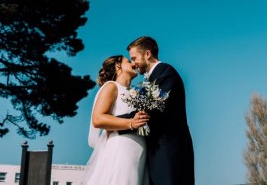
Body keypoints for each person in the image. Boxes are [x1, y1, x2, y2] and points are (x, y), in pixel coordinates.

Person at [127, 36, 195, 185]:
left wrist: (118, 122)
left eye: (134, 58)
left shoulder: (166, 72)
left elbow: (152, 110)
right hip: (158, 150)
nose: (133, 64)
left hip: (169, 149)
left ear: (147, 54)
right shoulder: (150, 79)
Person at [83, 55, 150, 185]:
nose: (134, 63)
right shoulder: (112, 86)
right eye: (128, 61)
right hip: (121, 147)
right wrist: (131, 122)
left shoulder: (137, 93)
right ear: (118, 65)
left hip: (139, 148)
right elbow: (98, 119)